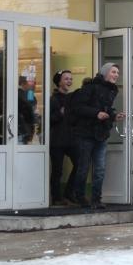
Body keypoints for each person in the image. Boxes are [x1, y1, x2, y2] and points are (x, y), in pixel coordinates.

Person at [69, 63, 125, 208]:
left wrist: (113, 115)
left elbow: (106, 109)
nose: (116, 75)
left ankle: (96, 200)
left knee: (99, 169)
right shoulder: (89, 88)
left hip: (101, 134)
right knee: (83, 167)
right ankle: (80, 197)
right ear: (105, 73)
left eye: (117, 73)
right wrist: (96, 114)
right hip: (85, 134)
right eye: (113, 72)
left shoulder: (112, 90)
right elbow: (78, 108)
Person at [49, 70, 79, 206]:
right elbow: (49, 119)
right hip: (57, 140)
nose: (69, 81)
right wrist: (60, 114)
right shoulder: (53, 99)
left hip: (71, 139)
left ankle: (69, 192)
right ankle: (56, 198)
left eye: (70, 79)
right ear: (59, 82)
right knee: (57, 170)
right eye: (66, 79)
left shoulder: (73, 98)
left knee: (80, 164)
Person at [17, 76, 36, 145]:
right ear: (23, 84)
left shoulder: (16, 93)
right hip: (24, 126)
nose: (31, 85)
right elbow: (31, 107)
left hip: (21, 126)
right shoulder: (25, 94)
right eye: (29, 83)